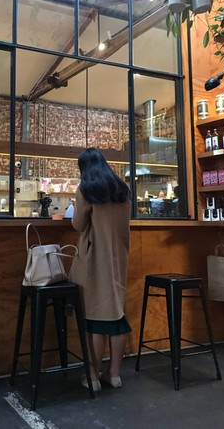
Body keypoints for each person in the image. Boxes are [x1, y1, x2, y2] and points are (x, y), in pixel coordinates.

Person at [69, 147, 131, 392]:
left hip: (95, 260)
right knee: (116, 314)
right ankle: (114, 375)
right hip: (119, 256)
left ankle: (93, 376)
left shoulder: (87, 189)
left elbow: (78, 224)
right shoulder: (122, 189)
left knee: (95, 319)